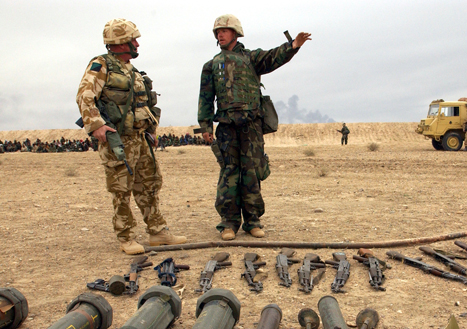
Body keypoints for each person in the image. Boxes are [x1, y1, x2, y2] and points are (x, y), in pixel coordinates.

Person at [76, 18, 186, 255]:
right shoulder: (101, 65)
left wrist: (150, 130)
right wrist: (96, 125)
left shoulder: (132, 71)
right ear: (118, 42)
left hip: (140, 138)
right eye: (132, 40)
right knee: (121, 189)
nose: (137, 44)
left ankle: (157, 231)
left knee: (149, 185)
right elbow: (85, 95)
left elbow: (142, 103)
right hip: (119, 140)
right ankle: (126, 237)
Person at [198, 14, 311, 241]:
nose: (220, 34)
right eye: (217, 31)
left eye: (225, 30)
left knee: (251, 173)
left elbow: (273, 57)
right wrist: (205, 126)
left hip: (251, 126)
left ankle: (252, 221)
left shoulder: (251, 58)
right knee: (229, 173)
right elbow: (205, 97)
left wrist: (293, 46)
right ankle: (228, 223)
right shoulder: (211, 66)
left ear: (235, 33)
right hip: (227, 128)